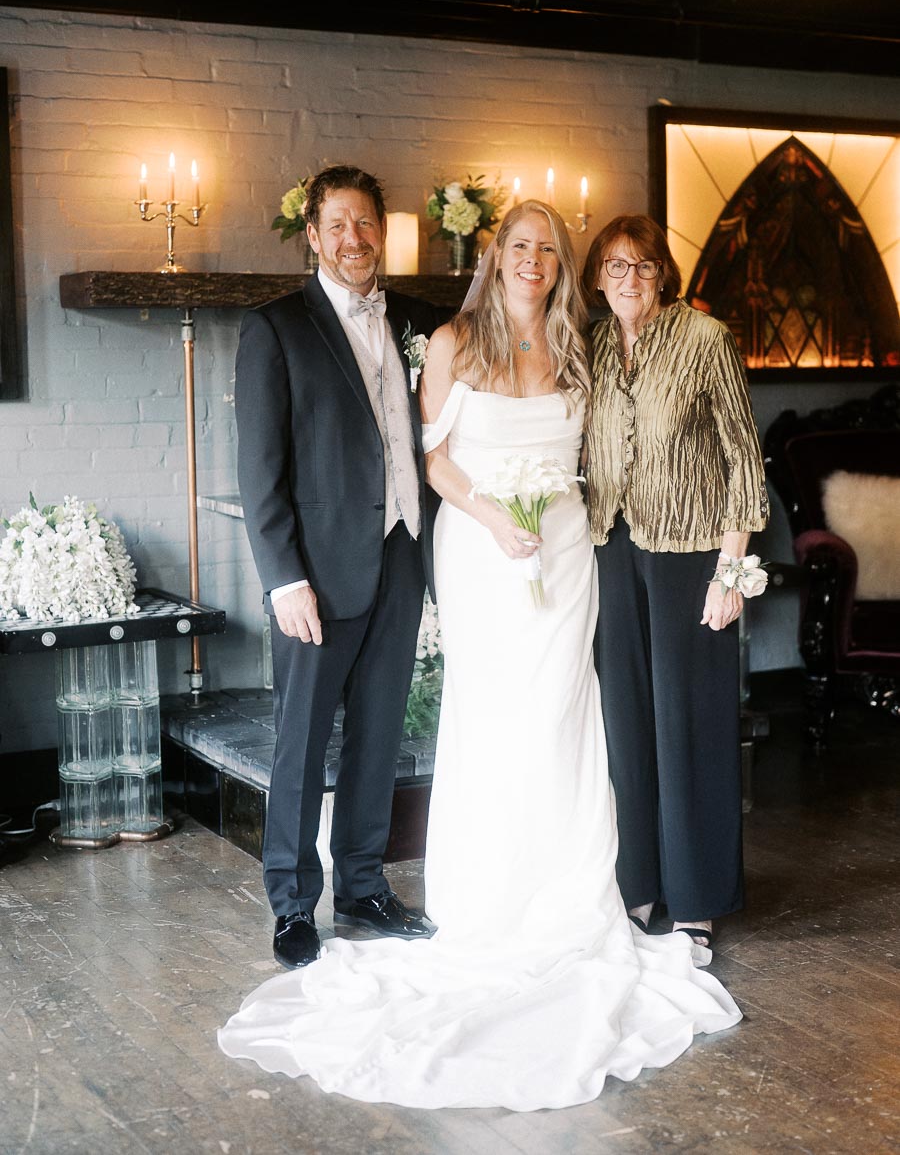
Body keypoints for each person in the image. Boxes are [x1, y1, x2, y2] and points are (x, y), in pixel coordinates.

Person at [219, 200, 741, 1110]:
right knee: (494, 717)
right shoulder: (455, 340)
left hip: (571, 554)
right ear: (494, 258)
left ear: (560, 265)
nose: (534, 260)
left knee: (567, 717)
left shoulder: (580, 343)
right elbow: (431, 460)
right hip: (482, 550)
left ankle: (584, 886)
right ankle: (425, 894)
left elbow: (608, 453)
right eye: (520, 247)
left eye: (549, 249)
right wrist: (497, 516)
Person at [234, 164, 441, 970]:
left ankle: (363, 887)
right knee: (302, 738)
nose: (355, 240)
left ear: (380, 233)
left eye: (366, 225)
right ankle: (293, 903)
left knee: (380, 736)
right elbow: (261, 469)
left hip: (401, 553)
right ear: (313, 237)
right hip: (317, 574)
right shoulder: (277, 328)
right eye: (339, 226)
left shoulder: (421, 320)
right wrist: (283, 578)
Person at [582, 214, 769, 952]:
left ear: (666, 275)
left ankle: (696, 901)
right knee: (627, 728)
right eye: (616, 267)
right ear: (597, 277)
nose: (630, 279)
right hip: (610, 551)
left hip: (692, 558)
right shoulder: (591, 346)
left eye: (645, 266)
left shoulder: (706, 339)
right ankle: (640, 888)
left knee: (689, 728)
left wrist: (730, 576)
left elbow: (744, 466)